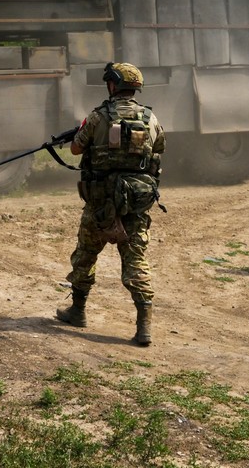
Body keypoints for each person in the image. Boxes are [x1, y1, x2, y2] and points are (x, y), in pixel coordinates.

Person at [55, 62, 165, 346]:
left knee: (85, 255)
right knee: (136, 261)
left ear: (112, 86)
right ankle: (144, 327)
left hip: (100, 204)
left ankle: (78, 311)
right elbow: (158, 149)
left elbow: (77, 148)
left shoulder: (97, 117)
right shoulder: (150, 118)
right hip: (136, 205)